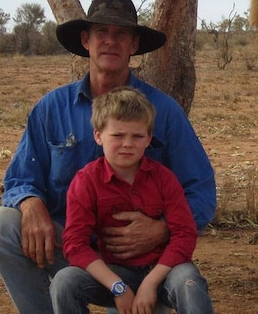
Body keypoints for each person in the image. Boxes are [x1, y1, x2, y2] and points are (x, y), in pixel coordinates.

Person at [0, 0, 216, 314]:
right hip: (73, 247)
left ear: (134, 45)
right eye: (101, 31)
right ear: (85, 40)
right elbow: (21, 178)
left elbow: (202, 192)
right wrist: (30, 204)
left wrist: (161, 228)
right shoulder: (52, 108)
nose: (110, 41)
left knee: (174, 286)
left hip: (143, 256)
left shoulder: (163, 111)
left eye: (121, 34)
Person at [51, 86, 208, 314]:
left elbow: (184, 234)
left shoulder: (164, 178)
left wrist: (150, 283)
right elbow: (75, 244)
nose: (127, 143)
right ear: (98, 135)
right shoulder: (85, 181)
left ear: (148, 138)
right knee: (65, 281)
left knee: (189, 281)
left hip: (164, 271)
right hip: (114, 273)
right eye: (117, 135)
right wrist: (117, 287)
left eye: (137, 136)